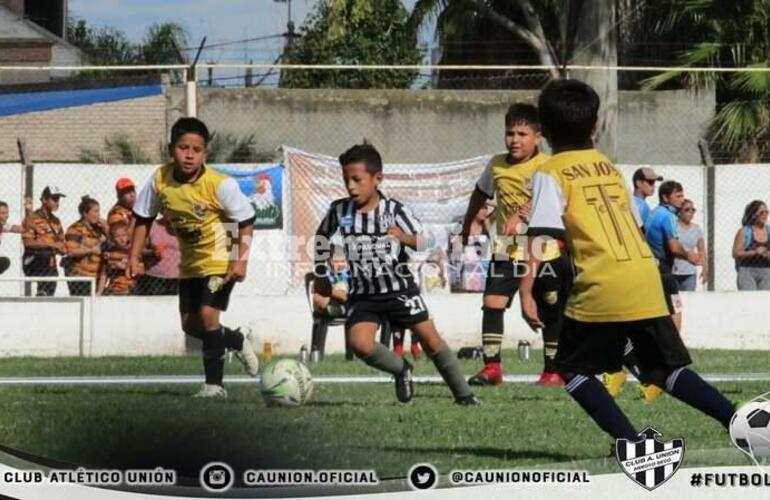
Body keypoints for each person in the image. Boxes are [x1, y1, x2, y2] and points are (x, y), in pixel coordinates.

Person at [521, 79, 734, 448]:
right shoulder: (607, 166)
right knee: (662, 369)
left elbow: (542, 238)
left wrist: (526, 291)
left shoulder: (549, 172)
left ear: (544, 131)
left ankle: (633, 445)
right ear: (595, 125)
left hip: (603, 281)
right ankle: (739, 421)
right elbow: (632, 225)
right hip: (643, 274)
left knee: (571, 368)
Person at [314, 143, 478, 405]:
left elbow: (425, 241)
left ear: (377, 178)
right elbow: (321, 237)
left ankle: (465, 396)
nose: (351, 187)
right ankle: (402, 369)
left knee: (431, 340)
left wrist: (404, 237)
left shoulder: (394, 211)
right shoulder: (339, 210)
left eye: (357, 179)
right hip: (363, 294)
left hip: (399, 290)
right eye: (346, 180)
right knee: (360, 344)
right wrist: (321, 270)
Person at [129, 117, 260, 398]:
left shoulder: (220, 185)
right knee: (190, 325)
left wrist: (240, 260)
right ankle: (235, 339)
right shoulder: (160, 179)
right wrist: (134, 256)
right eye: (183, 147)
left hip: (220, 259)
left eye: (196, 149)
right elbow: (143, 217)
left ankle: (214, 386)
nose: (189, 155)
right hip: (190, 263)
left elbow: (245, 221)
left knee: (208, 316)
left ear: (205, 153)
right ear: (171, 149)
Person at [460, 103, 570, 387]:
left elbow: (547, 199)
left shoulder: (548, 166)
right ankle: (492, 368)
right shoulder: (496, 164)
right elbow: (480, 193)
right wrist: (467, 223)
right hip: (507, 248)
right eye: (510, 133)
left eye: (522, 133)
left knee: (549, 307)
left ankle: (552, 370)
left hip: (544, 249)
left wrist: (520, 214)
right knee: (492, 302)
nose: (514, 140)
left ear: (538, 136)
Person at [22, 186, 67, 296]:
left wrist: (62, 249)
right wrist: (52, 245)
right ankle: (42, 292)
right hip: (32, 260)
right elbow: (28, 243)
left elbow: (62, 242)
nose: (57, 203)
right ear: (44, 200)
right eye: (54, 199)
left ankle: (43, 294)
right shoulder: (32, 218)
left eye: (58, 199)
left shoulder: (56, 221)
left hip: (50, 265)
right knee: (45, 255)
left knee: (49, 291)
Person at [310, 243, 350, 361]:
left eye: (343, 261)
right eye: (337, 261)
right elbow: (315, 290)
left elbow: (347, 295)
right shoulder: (324, 273)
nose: (341, 264)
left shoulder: (347, 274)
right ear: (329, 261)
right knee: (318, 299)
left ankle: (336, 308)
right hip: (335, 305)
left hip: (339, 303)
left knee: (340, 288)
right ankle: (338, 308)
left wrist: (330, 293)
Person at [64, 196, 107, 296]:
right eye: (95, 211)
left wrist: (107, 229)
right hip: (80, 275)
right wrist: (91, 250)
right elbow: (71, 251)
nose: (98, 215)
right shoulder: (76, 229)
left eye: (99, 212)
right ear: (85, 213)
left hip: (97, 275)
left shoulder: (100, 229)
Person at [133, 215, 180, 295]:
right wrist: (152, 252)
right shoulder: (152, 226)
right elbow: (140, 250)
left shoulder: (183, 227)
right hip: (154, 276)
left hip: (178, 277)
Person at [732, 200, 770, 290]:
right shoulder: (744, 231)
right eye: (761, 213)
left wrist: (767, 254)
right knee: (749, 300)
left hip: (767, 271)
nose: (765, 215)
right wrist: (755, 252)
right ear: (753, 215)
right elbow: (735, 253)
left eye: (767, 212)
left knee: (765, 301)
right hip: (747, 271)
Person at [673, 199, 707, 291]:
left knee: (688, 300)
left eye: (693, 210)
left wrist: (704, 269)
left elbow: (702, 249)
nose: (691, 212)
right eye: (687, 210)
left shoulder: (696, 229)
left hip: (690, 271)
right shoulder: (673, 226)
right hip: (674, 271)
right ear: (679, 212)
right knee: (676, 301)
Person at [99, 223, 138, 295]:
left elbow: (141, 269)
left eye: (124, 235)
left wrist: (123, 266)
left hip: (131, 288)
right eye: (117, 236)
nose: (122, 239)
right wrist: (99, 292)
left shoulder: (134, 250)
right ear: (112, 238)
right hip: (115, 288)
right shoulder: (109, 253)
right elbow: (104, 274)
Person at [0, 199, 31, 275]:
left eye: (7, 213)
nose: (6, 216)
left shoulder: (3, 226)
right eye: (3, 213)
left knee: (4, 262)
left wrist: (28, 212)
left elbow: (24, 229)